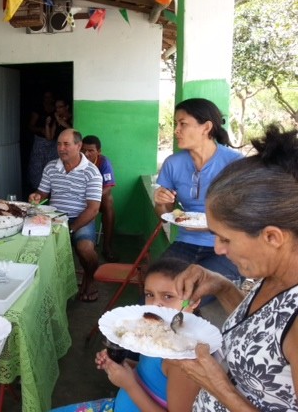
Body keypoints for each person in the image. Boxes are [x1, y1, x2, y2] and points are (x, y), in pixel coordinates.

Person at [172, 124, 298, 411]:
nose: (218, 249)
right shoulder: (276, 274)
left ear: (272, 237)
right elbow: (264, 332)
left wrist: (220, 388)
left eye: (225, 238)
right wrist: (222, 285)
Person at [51, 257, 201, 412]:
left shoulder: (185, 360)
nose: (156, 304)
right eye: (150, 295)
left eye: (168, 296)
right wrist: (123, 364)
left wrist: (129, 385)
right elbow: (153, 374)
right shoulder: (158, 332)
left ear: (194, 301)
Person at [154, 98, 242, 282]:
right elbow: (164, 214)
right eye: (175, 124)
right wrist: (162, 203)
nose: (176, 130)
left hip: (227, 246)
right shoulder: (173, 163)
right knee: (160, 284)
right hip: (185, 242)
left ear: (206, 127)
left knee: (191, 289)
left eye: (183, 124)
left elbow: (246, 212)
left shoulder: (234, 163)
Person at [29, 129, 102, 302]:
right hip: (55, 217)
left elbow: (93, 209)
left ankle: (90, 278)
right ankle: (48, 286)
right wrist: (36, 196)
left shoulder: (91, 172)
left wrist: (71, 228)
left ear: (78, 146)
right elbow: (43, 193)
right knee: (33, 243)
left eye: (66, 144)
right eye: (59, 144)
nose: (61, 148)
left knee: (85, 248)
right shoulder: (51, 167)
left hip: (81, 218)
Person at [82, 135, 117, 262]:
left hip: (96, 199)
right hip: (77, 199)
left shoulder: (103, 162)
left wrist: (92, 198)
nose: (86, 154)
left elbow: (108, 186)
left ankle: (107, 247)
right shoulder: (75, 160)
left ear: (98, 151)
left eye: (90, 151)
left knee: (108, 201)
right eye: (83, 150)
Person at [27, 91, 58, 190]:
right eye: (45, 97)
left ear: (53, 98)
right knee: (36, 167)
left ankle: (52, 191)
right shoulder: (38, 109)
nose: (47, 99)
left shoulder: (56, 111)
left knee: (53, 166)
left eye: (49, 97)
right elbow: (30, 126)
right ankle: (37, 191)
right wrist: (41, 129)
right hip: (40, 141)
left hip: (54, 142)